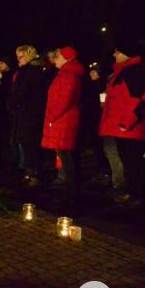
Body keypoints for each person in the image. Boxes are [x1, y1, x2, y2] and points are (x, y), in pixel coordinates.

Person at [99, 40, 145, 210]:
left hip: (129, 127)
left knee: (134, 162)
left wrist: (127, 122)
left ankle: (138, 197)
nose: (114, 55)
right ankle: (133, 193)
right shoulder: (124, 71)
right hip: (121, 127)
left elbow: (139, 99)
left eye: (117, 51)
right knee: (128, 162)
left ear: (126, 53)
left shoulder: (135, 71)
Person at [41, 47, 85, 204]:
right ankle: (69, 188)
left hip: (63, 122)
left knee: (67, 158)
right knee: (65, 156)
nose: (55, 59)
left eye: (58, 56)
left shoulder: (68, 75)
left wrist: (52, 116)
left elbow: (64, 99)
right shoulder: (65, 74)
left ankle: (71, 192)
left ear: (66, 58)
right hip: (63, 120)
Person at [7, 45, 48, 187]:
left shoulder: (33, 72)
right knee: (25, 143)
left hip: (31, 114)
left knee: (32, 144)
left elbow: (25, 92)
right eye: (17, 56)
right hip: (22, 113)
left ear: (29, 56)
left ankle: (36, 174)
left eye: (22, 56)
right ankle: (28, 172)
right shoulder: (23, 71)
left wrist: (15, 101)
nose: (19, 59)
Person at [0, 56, 19, 170]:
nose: (0, 66)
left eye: (2, 63)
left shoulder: (10, 77)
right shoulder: (2, 77)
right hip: (3, 110)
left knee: (12, 136)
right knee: (6, 137)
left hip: (9, 110)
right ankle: (9, 159)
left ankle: (15, 160)